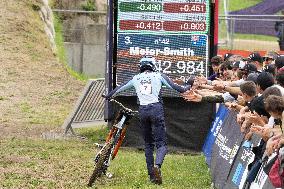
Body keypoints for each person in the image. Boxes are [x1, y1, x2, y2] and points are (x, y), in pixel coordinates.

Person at [105, 56, 192, 185]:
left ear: (141, 67)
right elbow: (179, 89)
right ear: (153, 66)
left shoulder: (135, 78)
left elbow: (118, 89)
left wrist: (108, 96)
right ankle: (157, 165)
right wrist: (189, 84)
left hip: (143, 111)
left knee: (148, 144)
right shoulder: (159, 76)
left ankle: (152, 176)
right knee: (161, 144)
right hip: (156, 109)